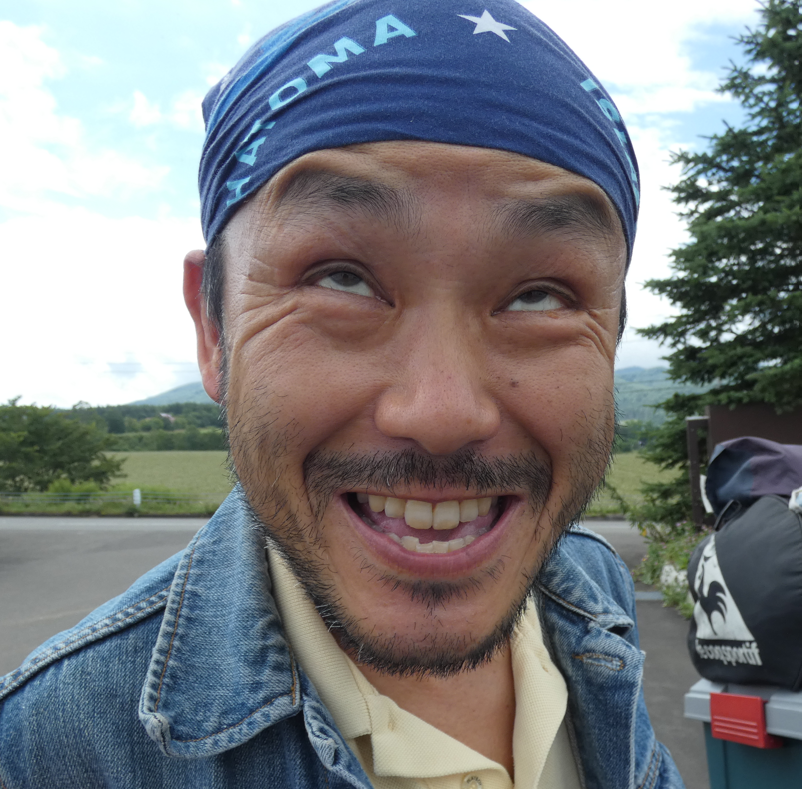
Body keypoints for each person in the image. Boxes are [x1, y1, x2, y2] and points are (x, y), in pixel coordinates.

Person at [0, 1, 685, 786]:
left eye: (539, 296)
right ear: (214, 328)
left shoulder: (590, 587)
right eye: (342, 280)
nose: (441, 412)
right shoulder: (49, 751)